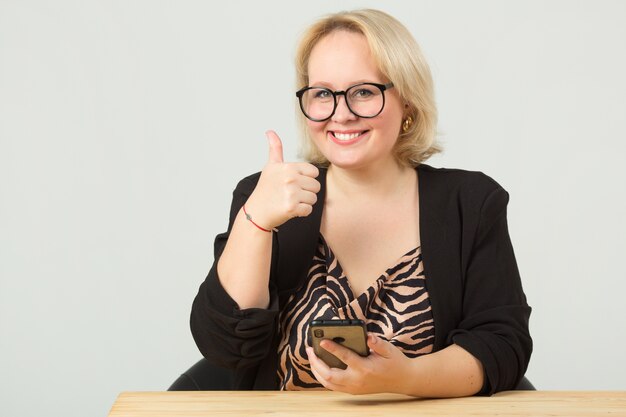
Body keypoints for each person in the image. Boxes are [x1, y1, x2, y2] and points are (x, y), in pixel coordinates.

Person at [191, 8, 532, 397]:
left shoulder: (470, 203)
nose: (341, 113)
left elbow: (502, 346)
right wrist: (256, 222)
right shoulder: (267, 195)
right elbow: (224, 347)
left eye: (364, 92)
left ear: (407, 101)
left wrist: (407, 379)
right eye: (322, 93)